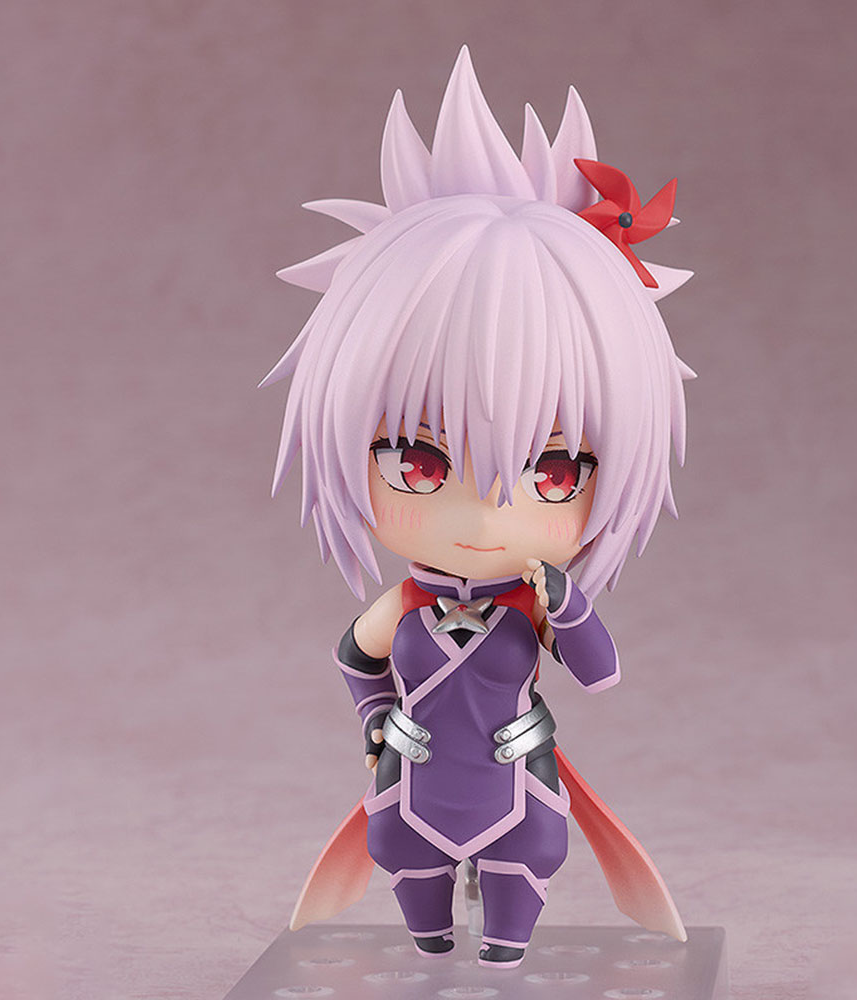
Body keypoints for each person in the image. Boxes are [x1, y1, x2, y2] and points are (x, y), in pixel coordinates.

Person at [263, 46, 694, 968]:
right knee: (414, 891)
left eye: (553, 473)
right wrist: (377, 720)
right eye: (420, 462)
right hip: (410, 789)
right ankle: (428, 934)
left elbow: (601, 674)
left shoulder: (534, 600)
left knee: (519, 891)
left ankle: (504, 947)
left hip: (517, 789)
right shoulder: (405, 605)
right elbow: (353, 657)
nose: (489, 512)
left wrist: (565, 602)